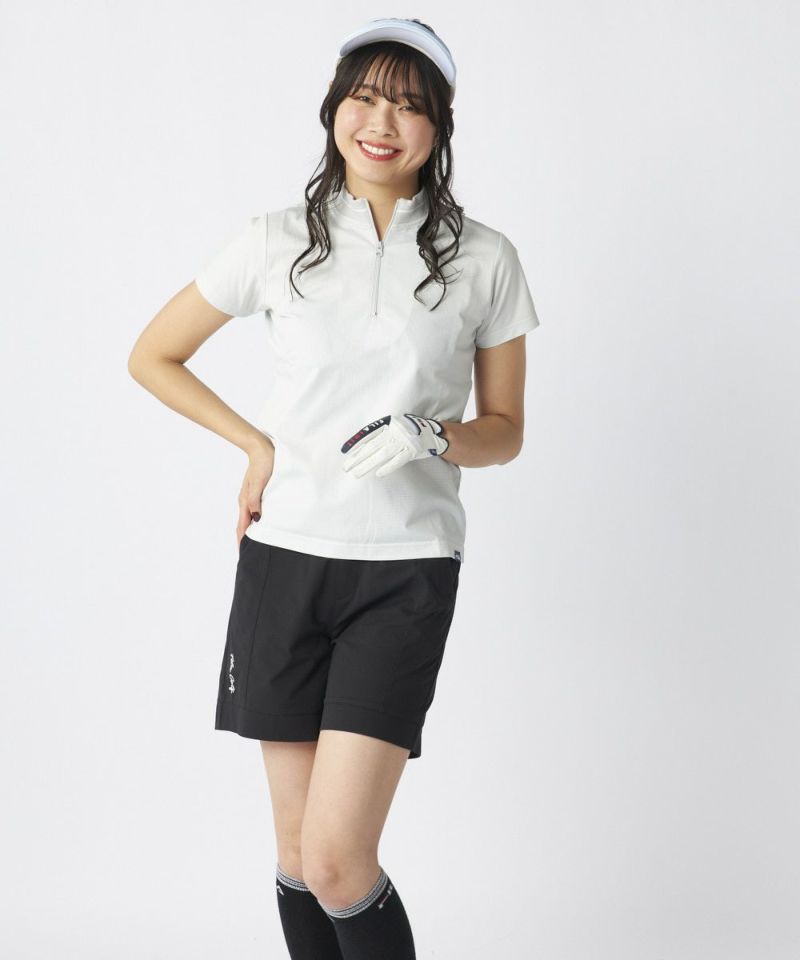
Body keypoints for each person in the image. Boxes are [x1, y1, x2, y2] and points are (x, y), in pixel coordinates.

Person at [128, 16, 540, 960]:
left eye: (409, 105)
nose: (381, 123)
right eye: (364, 97)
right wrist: (254, 444)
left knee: (340, 861)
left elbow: (507, 431)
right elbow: (153, 355)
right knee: (297, 856)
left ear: (439, 125)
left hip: (405, 571)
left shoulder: (486, 258)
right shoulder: (274, 241)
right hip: (284, 561)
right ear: (334, 109)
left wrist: (433, 434)